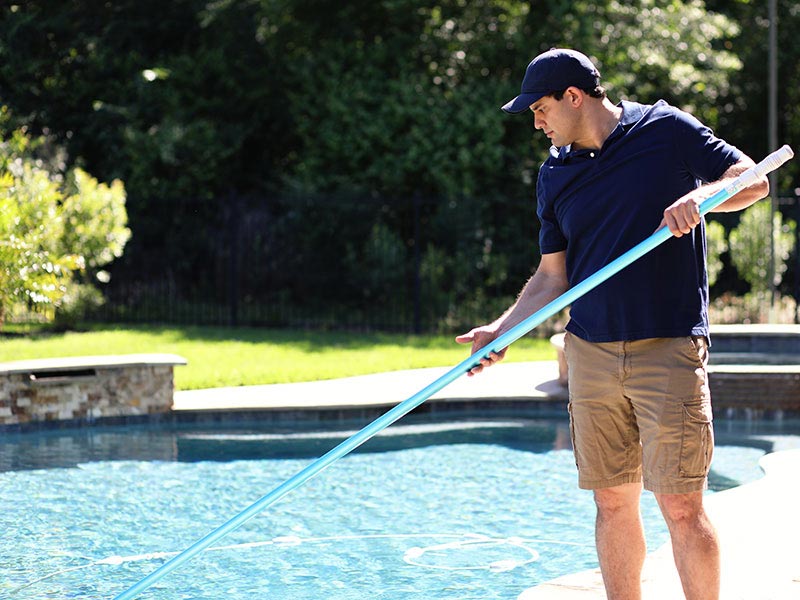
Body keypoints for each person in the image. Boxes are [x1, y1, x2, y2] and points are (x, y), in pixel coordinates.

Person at [456, 48, 769, 600]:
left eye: (540, 107)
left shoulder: (666, 129)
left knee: (681, 504)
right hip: (591, 353)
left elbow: (754, 179)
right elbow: (553, 278)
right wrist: (500, 330)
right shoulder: (555, 175)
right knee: (611, 502)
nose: (536, 120)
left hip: (667, 345)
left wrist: (703, 195)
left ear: (573, 97)